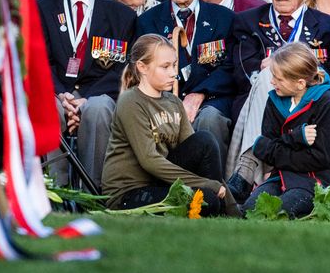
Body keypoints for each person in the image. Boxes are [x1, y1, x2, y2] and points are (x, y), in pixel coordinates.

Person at [225, 0, 330, 198]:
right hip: (259, 100)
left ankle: (246, 173)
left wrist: (287, 72)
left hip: (310, 104)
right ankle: (250, 172)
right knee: (267, 77)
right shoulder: (247, 21)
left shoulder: (326, 25)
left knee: (273, 73)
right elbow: (243, 72)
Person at [99, 33, 239, 216]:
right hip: (130, 192)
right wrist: (207, 185)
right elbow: (149, 160)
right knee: (207, 199)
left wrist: (231, 204)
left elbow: (197, 152)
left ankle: (225, 212)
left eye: (174, 65)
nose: (173, 73)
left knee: (204, 140)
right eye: (165, 67)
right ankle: (215, 208)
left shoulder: (173, 102)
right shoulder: (131, 101)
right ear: (142, 67)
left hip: (160, 182)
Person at [38, 0, 138, 187]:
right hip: (57, 91)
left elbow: (120, 69)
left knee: (98, 109)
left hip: (98, 93)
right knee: (50, 109)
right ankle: (55, 191)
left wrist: (84, 99)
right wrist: (62, 95)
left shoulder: (121, 15)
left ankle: (94, 190)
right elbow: (39, 60)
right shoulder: (43, 7)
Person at [137, 0, 236, 158]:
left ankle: (212, 187)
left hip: (209, 98)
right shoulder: (148, 21)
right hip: (161, 98)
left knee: (210, 119)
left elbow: (230, 67)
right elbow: (141, 69)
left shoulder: (224, 18)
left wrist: (199, 93)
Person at [243, 42, 330, 217]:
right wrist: (296, 137)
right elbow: (265, 148)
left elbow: (320, 157)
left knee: (282, 212)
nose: (272, 82)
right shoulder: (274, 99)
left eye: (278, 78)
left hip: (315, 180)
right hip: (280, 176)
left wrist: (275, 149)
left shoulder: (326, 102)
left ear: (300, 83)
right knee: (250, 210)